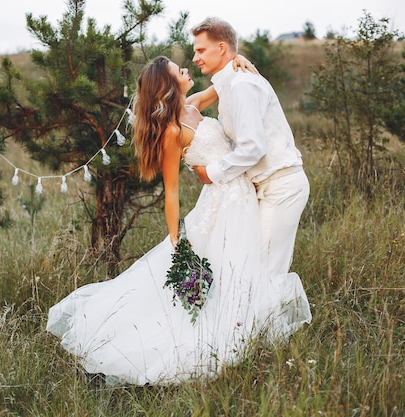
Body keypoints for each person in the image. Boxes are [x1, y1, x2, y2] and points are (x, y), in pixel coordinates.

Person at [46, 56, 311, 386]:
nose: (187, 71)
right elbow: (171, 191)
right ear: (169, 86)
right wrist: (176, 239)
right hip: (221, 206)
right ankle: (218, 338)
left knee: (242, 268)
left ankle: (246, 330)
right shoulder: (172, 131)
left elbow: (225, 83)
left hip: (243, 198)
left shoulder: (194, 103)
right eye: (179, 71)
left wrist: (239, 59)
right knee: (222, 272)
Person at [190, 17, 310, 276]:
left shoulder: (242, 85)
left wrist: (210, 173)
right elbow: (194, 103)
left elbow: (254, 148)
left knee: (264, 268)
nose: (194, 58)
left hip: (280, 186)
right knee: (245, 264)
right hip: (258, 187)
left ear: (221, 48)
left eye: (200, 50)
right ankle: (248, 317)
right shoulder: (229, 83)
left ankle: (265, 318)